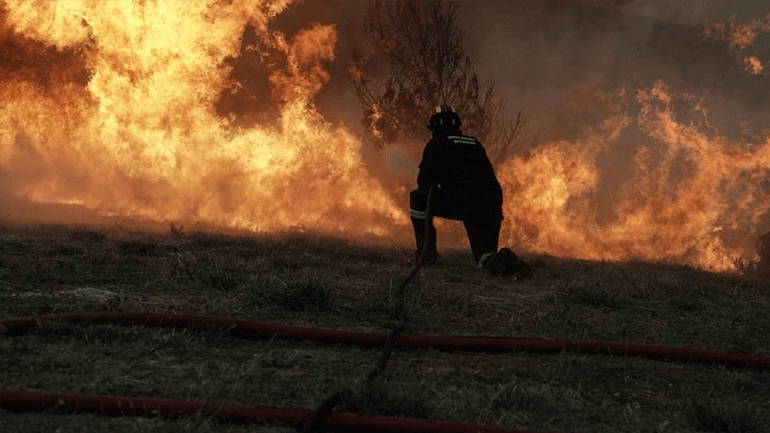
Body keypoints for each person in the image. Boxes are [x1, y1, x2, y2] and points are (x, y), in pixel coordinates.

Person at [409, 105, 531, 278]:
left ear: (434, 127)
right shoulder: (474, 142)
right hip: (491, 206)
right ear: (457, 125)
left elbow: (424, 184)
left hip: (463, 201)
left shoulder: (436, 143)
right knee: (485, 260)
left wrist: (436, 178)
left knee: (418, 198)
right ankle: (507, 261)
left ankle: (426, 256)